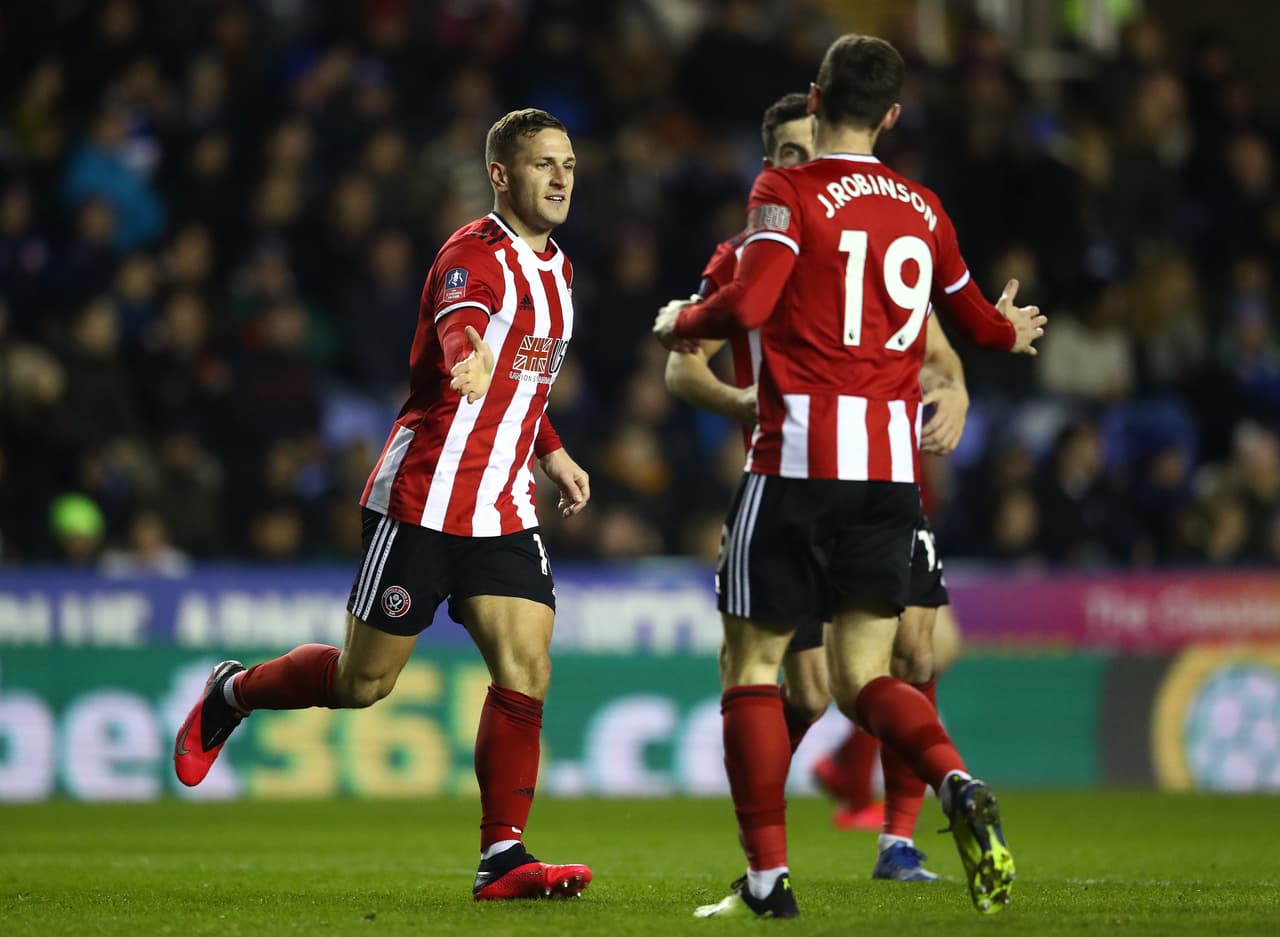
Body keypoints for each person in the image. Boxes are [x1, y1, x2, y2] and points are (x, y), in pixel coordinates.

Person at [655, 35, 1045, 918]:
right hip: (890, 477)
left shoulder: (786, 193)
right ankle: (954, 780)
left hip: (796, 462)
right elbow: (978, 324)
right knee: (866, 679)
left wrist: (686, 314)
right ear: (894, 116)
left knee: (750, 666)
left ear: (816, 98)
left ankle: (766, 881)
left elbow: (748, 306)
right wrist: (1010, 331)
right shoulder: (923, 207)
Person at [173, 108, 594, 902]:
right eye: (544, 163)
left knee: (528, 664)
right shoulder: (473, 256)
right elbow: (462, 329)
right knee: (365, 683)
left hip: (501, 504)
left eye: (568, 162)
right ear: (502, 175)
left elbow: (523, 382)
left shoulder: (563, 272)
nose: (563, 177)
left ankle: (502, 856)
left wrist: (552, 449)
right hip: (423, 496)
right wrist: (467, 361)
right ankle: (234, 690)